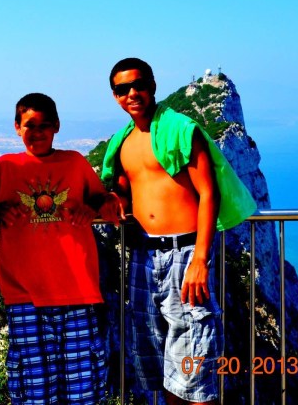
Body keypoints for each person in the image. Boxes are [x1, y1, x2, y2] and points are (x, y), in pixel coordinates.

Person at [101, 58, 256, 405]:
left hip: (185, 254)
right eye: (122, 89)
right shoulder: (122, 144)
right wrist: (114, 204)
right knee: (161, 368)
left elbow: (208, 192)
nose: (132, 93)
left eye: (138, 84)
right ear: (114, 96)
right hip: (142, 256)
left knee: (195, 369)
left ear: (153, 86)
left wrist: (201, 259)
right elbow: (124, 193)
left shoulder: (181, 130)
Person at [0, 92, 125, 405]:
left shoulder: (74, 162)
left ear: (57, 126)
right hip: (25, 296)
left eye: (45, 125)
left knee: (81, 387)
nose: (38, 132)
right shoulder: (5, 167)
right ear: (17, 127)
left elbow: (103, 197)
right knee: (34, 390)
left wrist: (96, 206)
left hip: (78, 292)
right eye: (30, 125)